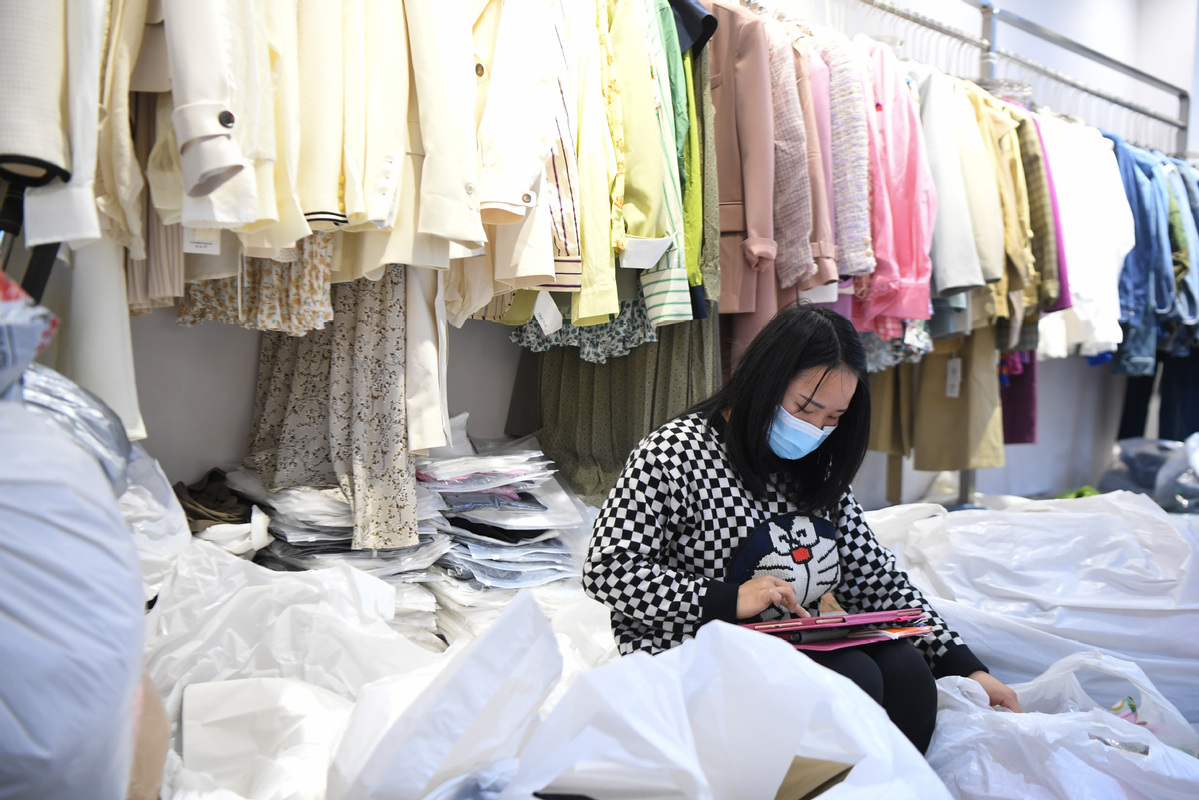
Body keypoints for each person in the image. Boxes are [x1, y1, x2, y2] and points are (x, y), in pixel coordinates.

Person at [582, 304, 1020, 754]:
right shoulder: (675, 452)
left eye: (832, 418)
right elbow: (608, 569)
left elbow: (877, 579)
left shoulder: (815, 469)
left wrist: (967, 668)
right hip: (690, 648)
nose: (815, 429)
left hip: (790, 640)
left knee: (906, 671)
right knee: (855, 677)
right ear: (766, 378)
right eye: (805, 408)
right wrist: (729, 598)